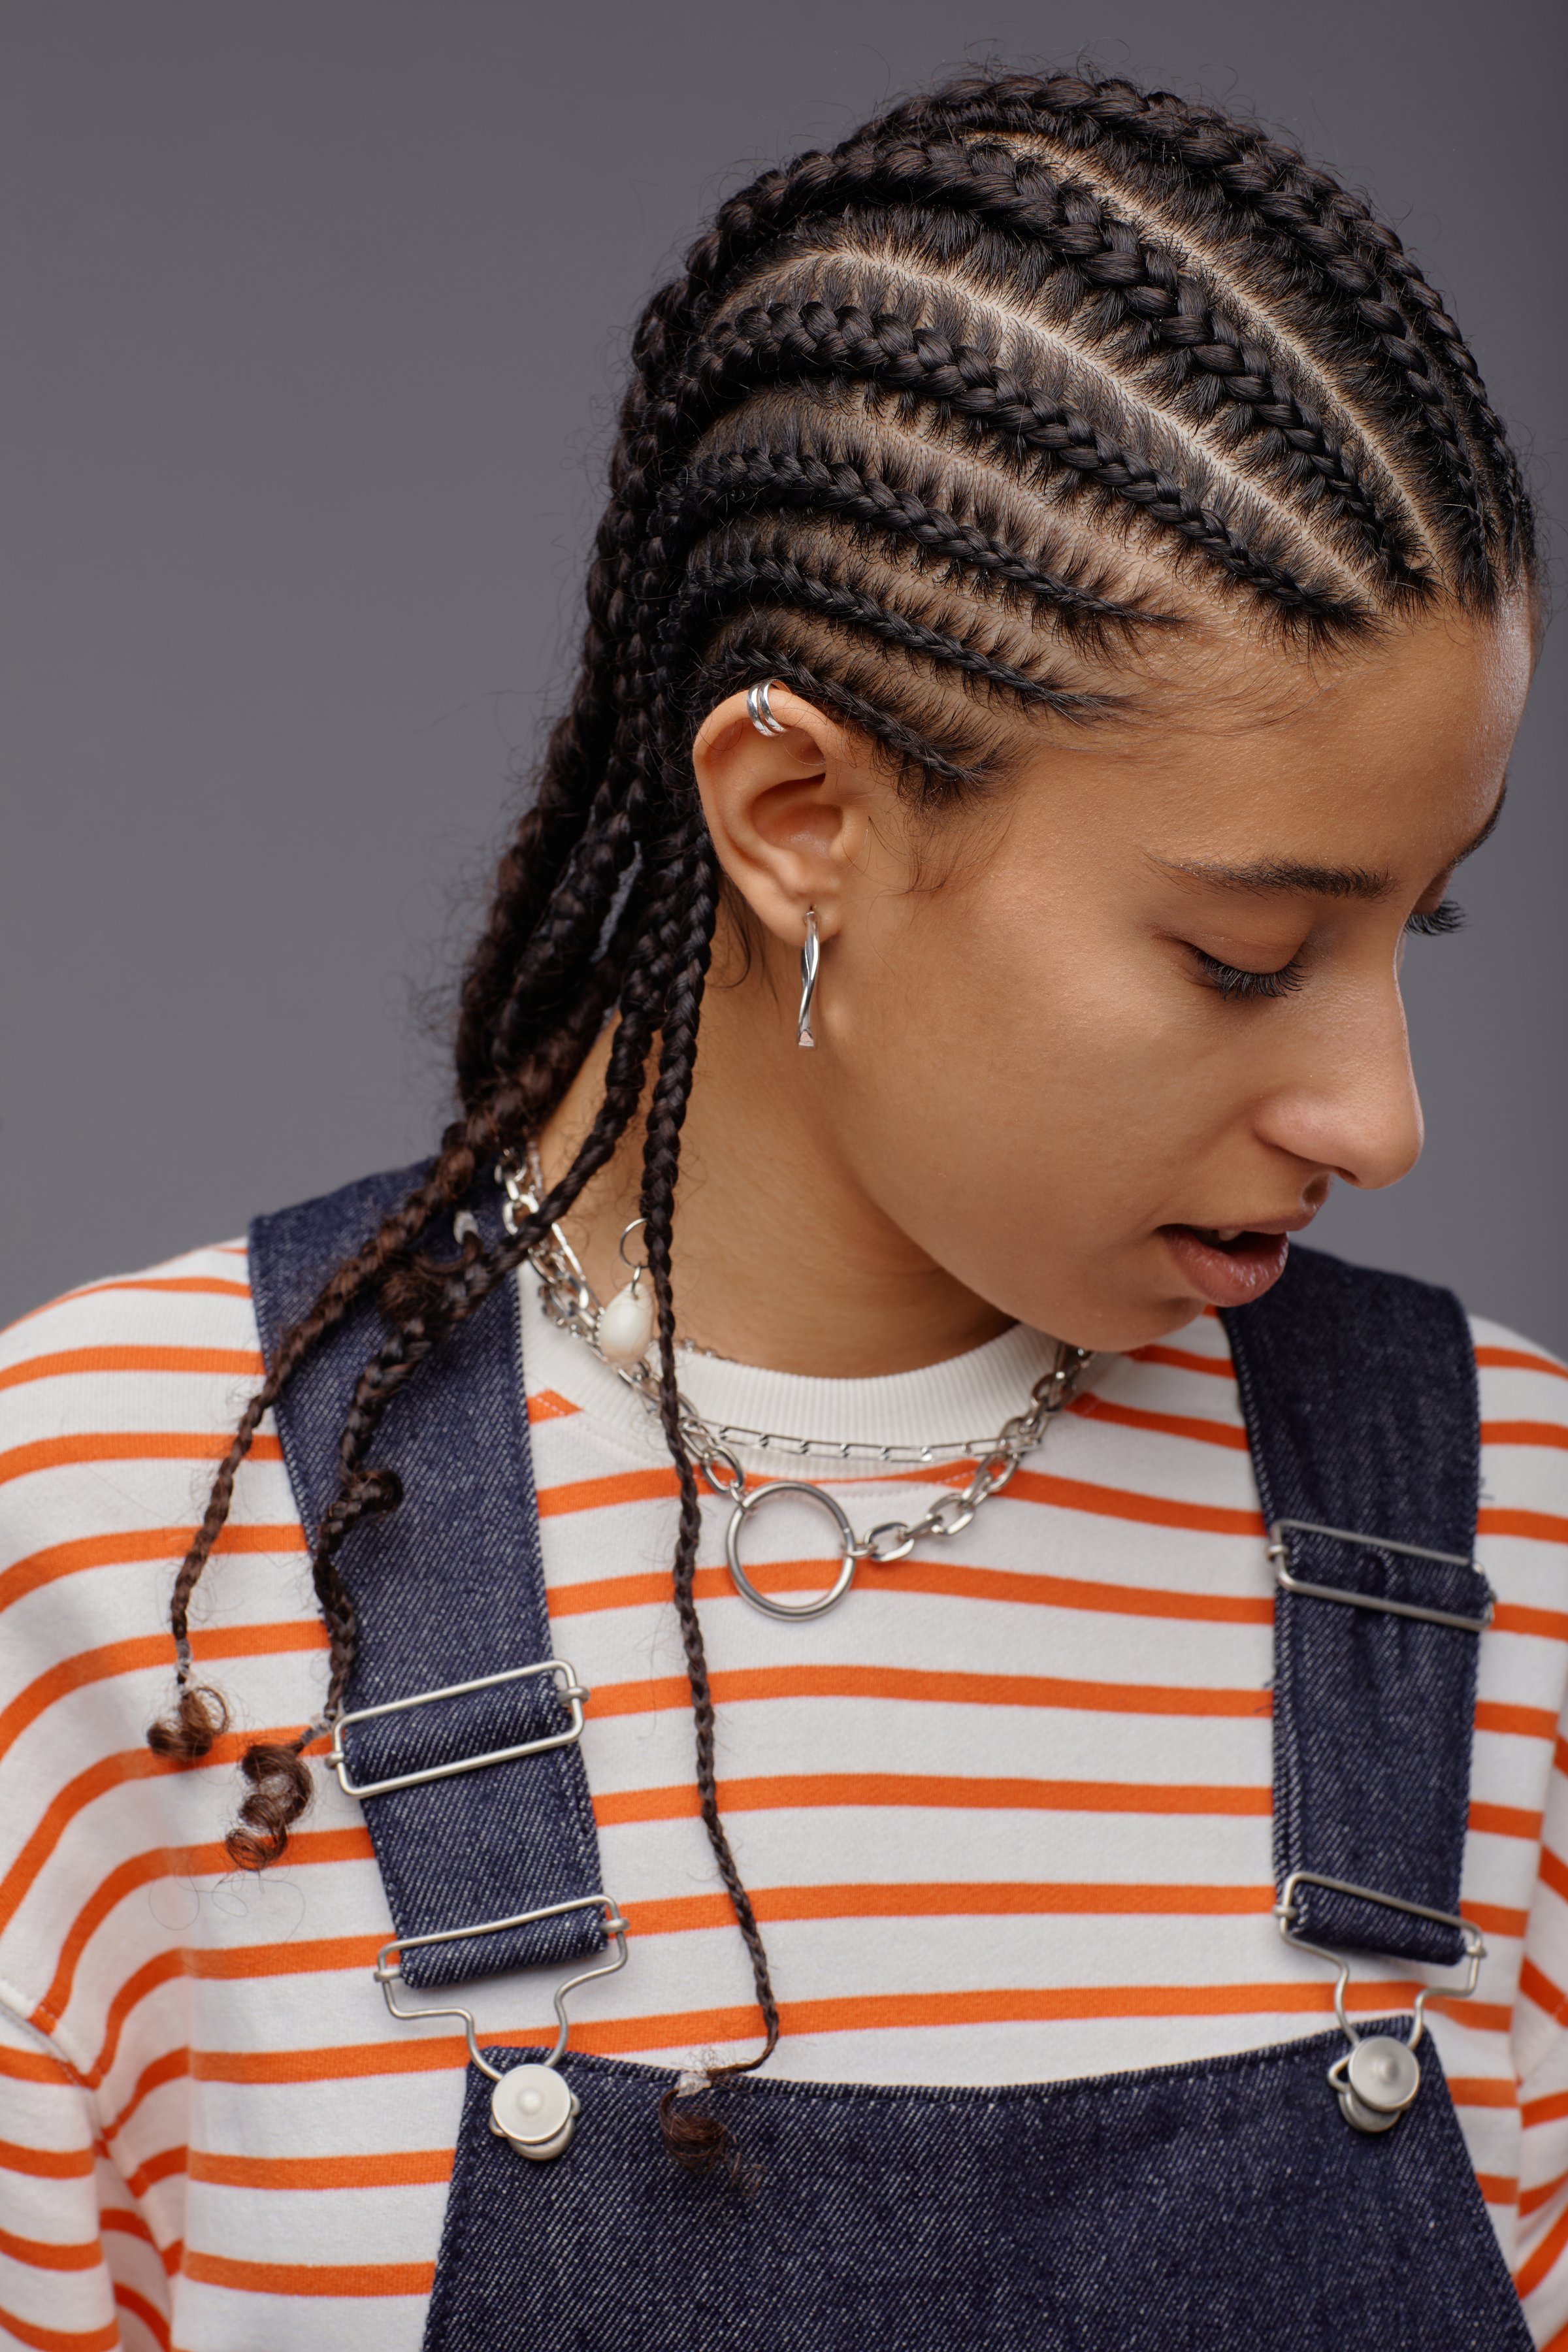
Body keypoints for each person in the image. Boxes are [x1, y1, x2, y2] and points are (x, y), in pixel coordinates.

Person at [1, 61, 1561, 2352]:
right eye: (1244, 954)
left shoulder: (1516, 1530)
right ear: (797, 808)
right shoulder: (122, 1540)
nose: (1379, 1114)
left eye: (1411, 934)